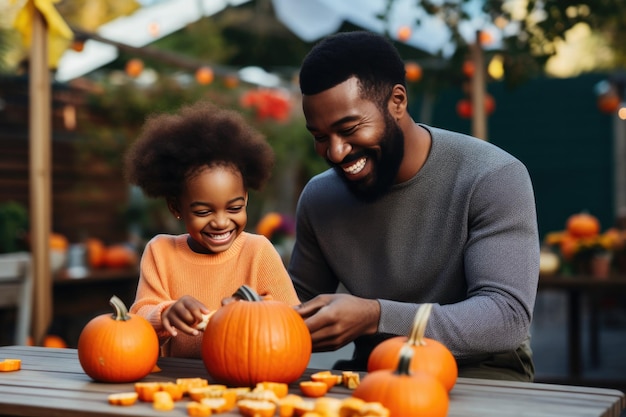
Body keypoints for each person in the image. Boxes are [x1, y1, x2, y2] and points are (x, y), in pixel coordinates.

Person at [289, 31, 540, 381]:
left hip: (481, 370)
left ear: (397, 101)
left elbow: (505, 317)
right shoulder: (320, 198)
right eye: (319, 137)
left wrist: (376, 316)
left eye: (349, 128)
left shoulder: (491, 176)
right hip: (372, 370)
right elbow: (295, 307)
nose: (335, 152)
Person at [124, 101, 300, 358]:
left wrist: (252, 310)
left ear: (246, 199)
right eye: (204, 212)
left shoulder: (258, 250)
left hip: (247, 379)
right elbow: (137, 319)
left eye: (234, 208)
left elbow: (293, 320)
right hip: (177, 383)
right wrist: (166, 313)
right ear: (176, 207)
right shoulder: (161, 251)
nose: (220, 222)